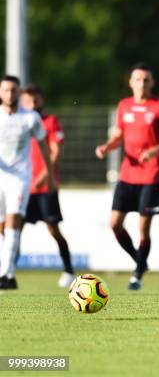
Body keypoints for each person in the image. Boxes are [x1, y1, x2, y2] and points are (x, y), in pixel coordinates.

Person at [95, 63, 159, 290]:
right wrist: (106, 146)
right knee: (114, 224)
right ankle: (139, 261)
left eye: (146, 80)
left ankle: (136, 276)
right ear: (130, 82)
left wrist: (155, 150)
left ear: (152, 83)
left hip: (151, 176)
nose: (141, 83)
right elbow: (118, 136)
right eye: (137, 79)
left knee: (143, 228)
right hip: (127, 175)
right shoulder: (123, 106)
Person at [0, 75, 54, 289]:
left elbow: (43, 146)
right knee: (2, 226)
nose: (10, 94)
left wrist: (49, 174)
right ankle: (5, 270)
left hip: (20, 177)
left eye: (14, 90)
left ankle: (7, 274)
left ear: (19, 92)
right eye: (6, 90)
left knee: (14, 222)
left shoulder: (30, 117)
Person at [20, 84, 75, 287]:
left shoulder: (50, 122)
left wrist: (45, 175)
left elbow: (55, 152)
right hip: (23, 187)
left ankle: (69, 270)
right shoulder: (19, 123)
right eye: (28, 100)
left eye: (36, 100)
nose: (33, 104)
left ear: (42, 101)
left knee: (53, 229)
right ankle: (6, 272)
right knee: (13, 230)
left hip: (45, 187)